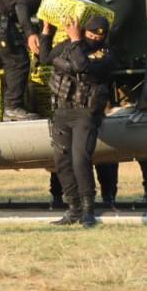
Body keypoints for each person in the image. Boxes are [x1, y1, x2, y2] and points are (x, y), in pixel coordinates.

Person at [42, 15, 116, 228]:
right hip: (62, 111)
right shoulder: (70, 45)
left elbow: (81, 66)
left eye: (98, 37)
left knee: (80, 159)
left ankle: (88, 211)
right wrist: (47, 31)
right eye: (91, 35)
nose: (94, 39)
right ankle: (73, 209)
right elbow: (45, 58)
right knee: (62, 161)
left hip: (85, 112)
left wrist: (75, 41)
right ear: (85, 31)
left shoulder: (106, 54)